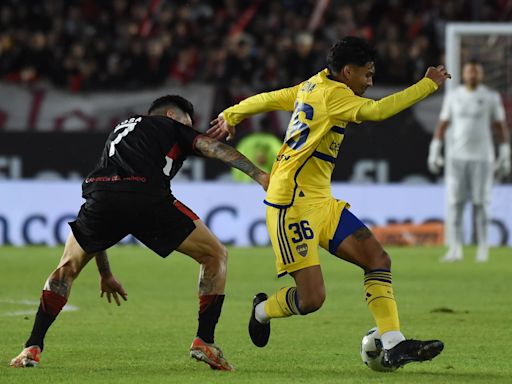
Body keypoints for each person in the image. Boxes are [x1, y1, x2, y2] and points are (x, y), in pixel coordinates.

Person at [208, 36, 450, 370]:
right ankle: (262, 310)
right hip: (290, 205)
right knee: (312, 299)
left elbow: (269, 98)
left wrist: (231, 114)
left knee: (378, 259)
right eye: (366, 75)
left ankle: (394, 343)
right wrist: (427, 85)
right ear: (347, 71)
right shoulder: (334, 95)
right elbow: (378, 111)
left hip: (321, 200)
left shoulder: (313, 85)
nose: (369, 82)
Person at [10, 95, 269, 370]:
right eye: (187, 122)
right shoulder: (168, 126)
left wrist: (105, 273)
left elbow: (111, 205)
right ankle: (205, 340)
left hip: (101, 196)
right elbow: (213, 148)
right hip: (148, 197)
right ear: (171, 115)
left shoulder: (119, 133)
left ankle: (31, 347)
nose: (189, 128)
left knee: (66, 269)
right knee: (215, 254)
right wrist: (260, 175)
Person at [428, 60, 510, 263]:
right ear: (464, 74)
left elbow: (500, 126)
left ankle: (483, 248)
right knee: (455, 204)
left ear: (481, 75)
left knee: (481, 203)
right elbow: (443, 124)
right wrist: (435, 150)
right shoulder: (454, 97)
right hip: (456, 158)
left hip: (482, 159)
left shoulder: (490, 97)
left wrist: (505, 152)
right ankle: (455, 248)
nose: (472, 75)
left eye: (476, 72)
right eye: (469, 71)